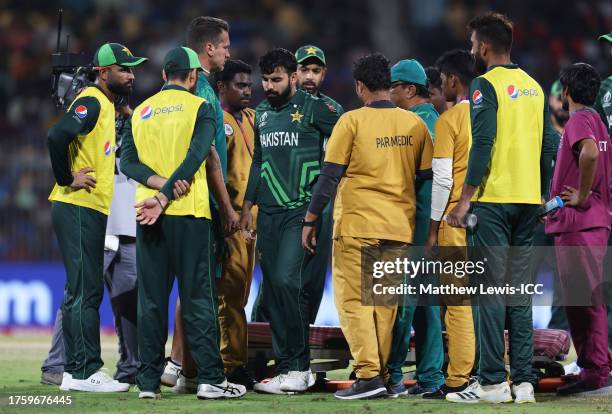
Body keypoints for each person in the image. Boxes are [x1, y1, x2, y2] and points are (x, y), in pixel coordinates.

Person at [302, 52, 433, 400]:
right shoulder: (414, 125)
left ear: (359, 86)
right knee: (385, 306)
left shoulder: (351, 122)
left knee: (354, 303)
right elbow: (424, 179)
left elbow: (329, 177)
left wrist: (311, 219)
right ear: (388, 85)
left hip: (357, 224)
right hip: (398, 227)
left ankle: (369, 375)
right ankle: (383, 376)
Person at [120, 46, 244, 400]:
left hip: (147, 216)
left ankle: (146, 383)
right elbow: (198, 155)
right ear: (192, 77)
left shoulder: (140, 111)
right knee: (197, 299)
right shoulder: (200, 107)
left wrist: (157, 187)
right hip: (188, 214)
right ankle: (210, 380)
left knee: (152, 301)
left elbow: (127, 162)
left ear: (163, 76)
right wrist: (167, 194)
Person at [445, 12, 557, 404]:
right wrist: (542, 193)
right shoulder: (535, 87)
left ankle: (492, 383)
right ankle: (524, 383)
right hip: (528, 203)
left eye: (474, 43)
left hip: (492, 203)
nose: (472, 49)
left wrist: (464, 199)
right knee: (519, 295)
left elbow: (484, 143)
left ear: (485, 47)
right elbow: (549, 147)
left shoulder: (483, 86)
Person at [46, 42, 147, 393]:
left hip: (87, 208)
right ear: (104, 73)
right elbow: (56, 135)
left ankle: (74, 372)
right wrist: (66, 177)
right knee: (85, 291)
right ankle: (87, 369)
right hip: (78, 204)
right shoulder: (91, 100)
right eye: (125, 69)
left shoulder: (104, 105)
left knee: (82, 291)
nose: (132, 75)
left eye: (133, 68)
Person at [240, 48, 340, 394]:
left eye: (276, 79)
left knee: (287, 281)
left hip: (301, 210)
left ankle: (298, 366)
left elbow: (343, 147)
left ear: (292, 78)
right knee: (275, 285)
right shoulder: (263, 113)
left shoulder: (319, 110)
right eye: (265, 80)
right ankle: (287, 368)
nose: (268, 86)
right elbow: (258, 162)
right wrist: (246, 206)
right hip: (267, 213)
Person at [163, 16, 237, 389]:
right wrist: (225, 207)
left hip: (185, 200)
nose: (228, 51)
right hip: (201, 202)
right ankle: (184, 366)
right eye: (225, 45)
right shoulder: (203, 91)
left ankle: (184, 369)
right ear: (209, 49)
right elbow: (208, 154)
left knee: (191, 286)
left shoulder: (180, 94)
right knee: (199, 288)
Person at [250, 44, 344, 324]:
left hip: (320, 203)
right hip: (284, 204)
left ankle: (303, 335)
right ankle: (262, 335)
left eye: (316, 71)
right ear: (294, 74)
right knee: (277, 276)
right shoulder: (270, 110)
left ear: (324, 74)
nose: (310, 77)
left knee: (312, 277)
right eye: (305, 69)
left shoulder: (330, 110)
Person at [546, 63, 612, 396]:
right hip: (594, 221)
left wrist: (582, 194)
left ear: (566, 93)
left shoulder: (578, 121)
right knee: (585, 298)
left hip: (580, 222)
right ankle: (595, 367)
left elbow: (587, 155)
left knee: (585, 299)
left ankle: (597, 372)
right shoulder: (598, 121)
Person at [387, 58, 444, 397]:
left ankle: (392, 372)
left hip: (415, 222)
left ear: (409, 89)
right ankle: (430, 376)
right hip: (425, 223)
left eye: (392, 87)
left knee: (405, 301)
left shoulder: (416, 124)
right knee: (426, 303)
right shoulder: (431, 120)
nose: (388, 93)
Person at [422, 49, 477, 399]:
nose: (440, 88)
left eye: (441, 83)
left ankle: (459, 378)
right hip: (488, 217)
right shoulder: (490, 114)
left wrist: (431, 228)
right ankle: (491, 373)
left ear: (453, 81)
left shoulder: (449, 120)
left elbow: (442, 180)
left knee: (456, 306)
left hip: (454, 218)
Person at [212, 59, 257, 388]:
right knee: (230, 295)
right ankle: (230, 363)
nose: (247, 89)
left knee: (240, 293)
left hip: (255, 218)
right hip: (231, 219)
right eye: (240, 85)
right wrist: (226, 216)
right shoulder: (217, 121)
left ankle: (235, 359)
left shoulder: (255, 118)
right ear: (222, 88)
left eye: (248, 84)